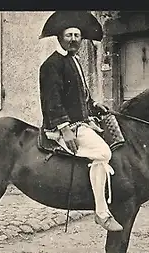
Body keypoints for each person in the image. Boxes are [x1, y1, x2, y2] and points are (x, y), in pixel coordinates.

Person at [39, 12, 123, 232]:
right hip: (63, 128)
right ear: (60, 37)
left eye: (77, 35)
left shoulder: (73, 61)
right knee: (104, 153)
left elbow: (80, 96)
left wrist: (95, 105)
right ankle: (101, 212)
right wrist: (65, 129)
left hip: (81, 122)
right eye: (69, 35)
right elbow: (53, 101)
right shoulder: (52, 65)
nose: (74, 39)